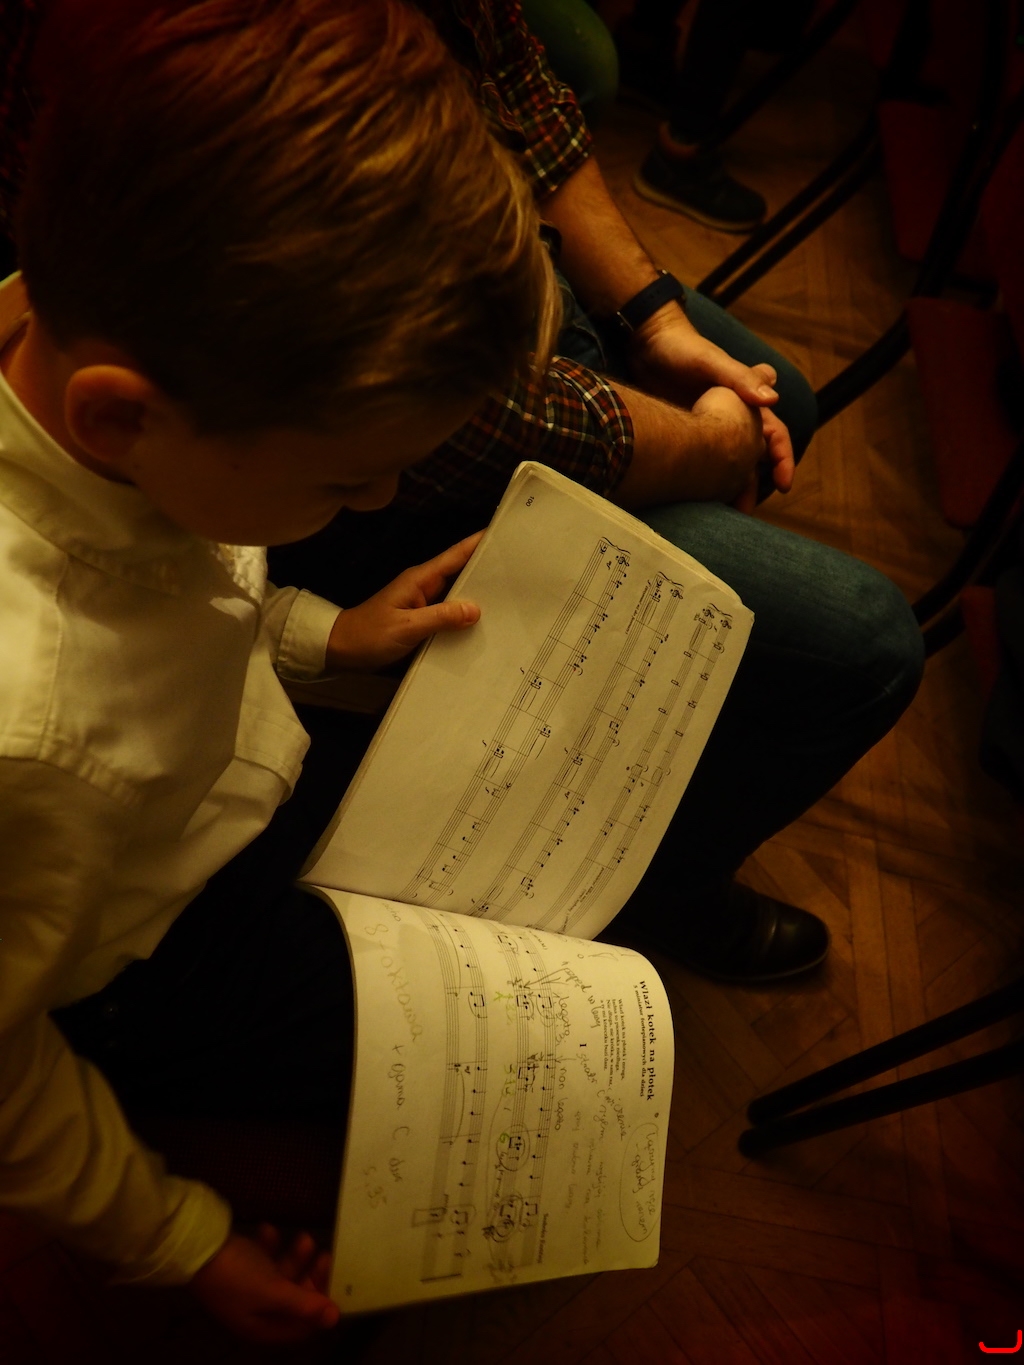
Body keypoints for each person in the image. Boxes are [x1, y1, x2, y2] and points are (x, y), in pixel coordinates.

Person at [0, 0, 560, 1342]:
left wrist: (319, 634)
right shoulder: (31, 734)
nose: (378, 504)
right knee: (498, 1055)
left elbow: (177, 594)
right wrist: (184, 1239)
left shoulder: (85, 354)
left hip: (216, 787)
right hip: (137, 963)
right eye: (343, 482)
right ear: (119, 416)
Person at [269, 0, 925, 983]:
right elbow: (474, 421)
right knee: (868, 645)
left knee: (782, 401)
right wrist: (706, 447)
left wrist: (657, 322)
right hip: (456, 393)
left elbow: (520, 83)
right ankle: (658, 878)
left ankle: (637, 724)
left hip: (491, 334)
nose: (374, 492)